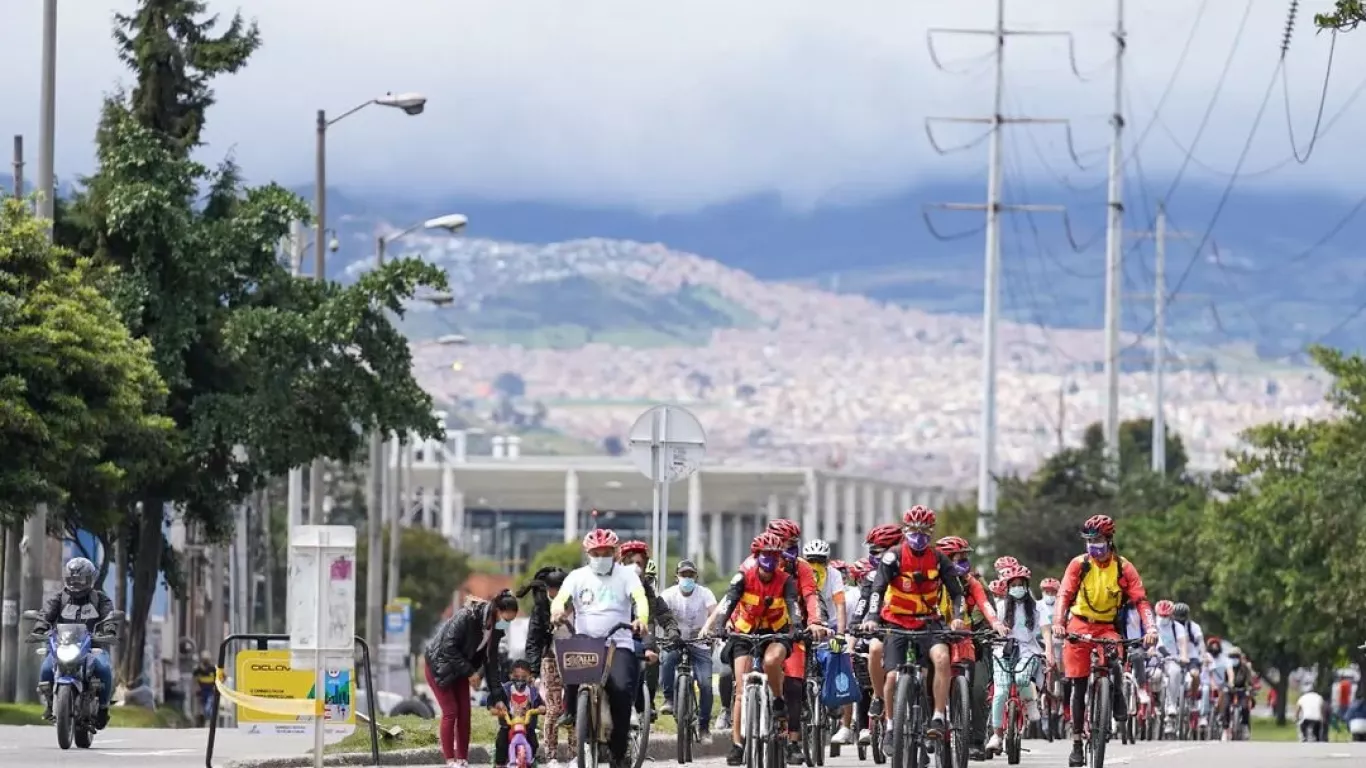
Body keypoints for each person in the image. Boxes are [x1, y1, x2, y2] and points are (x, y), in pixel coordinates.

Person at [1052, 514, 1157, 768]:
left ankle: (1117, 695)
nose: (1092, 546)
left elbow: (1141, 601)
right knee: (1077, 685)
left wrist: (1151, 627)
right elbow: (1064, 594)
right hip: (1078, 624)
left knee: (1115, 658)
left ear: (1109, 540)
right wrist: (1058, 622)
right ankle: (1077, 742)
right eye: (1088, 540)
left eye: (1097, 540)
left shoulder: (1123, 567)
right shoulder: (1079, 565)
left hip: (1107, 627)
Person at [859, 505, 966, 742]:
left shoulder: (939, 559)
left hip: (929, 622)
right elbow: (877, 588)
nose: (919, 536)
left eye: (924, 531)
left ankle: (938, 716)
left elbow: (957, 593)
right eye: (913, 530)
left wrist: (957, 616)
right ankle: (889, 726)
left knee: (942, 658)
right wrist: (872, 618)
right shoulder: (893, 556)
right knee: (891, 677)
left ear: (931, 532)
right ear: (905, 530)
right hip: (896, 621)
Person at [699, 532, 804, 767]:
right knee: (740, 688)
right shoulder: (742, 578)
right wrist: (718, 627)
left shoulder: (786, 580)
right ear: (756, 556)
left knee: (771, 661)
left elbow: (793, 606)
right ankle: (737, 745)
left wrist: (796, 626)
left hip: (775, 632)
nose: (770, 559)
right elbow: (728, 603)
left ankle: (777, 700)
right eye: (766, 554)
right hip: (744, 634)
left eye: (775, 555)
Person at [550, 529, 649, 768]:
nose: (601, 556)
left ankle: (618, 750)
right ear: (588, 553)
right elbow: (560, 599)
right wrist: (557, 612)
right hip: (586, 642)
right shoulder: (577, 576)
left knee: (622, 690)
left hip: (619, 643)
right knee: (570, 669)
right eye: (596, 553)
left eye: (606, 552)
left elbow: (640, 599)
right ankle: (573, 711)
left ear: (615, 553)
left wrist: (642, 619)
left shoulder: (627, 575)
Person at [425, 590, 520, 768]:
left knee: (465, 713)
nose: (506, 625)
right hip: (439, 667)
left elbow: (492, 665)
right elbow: (448, 647)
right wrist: (470, 672)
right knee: (451, 711)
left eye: (511, 622)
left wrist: (498, 698)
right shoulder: (467, 617)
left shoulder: (496, 631)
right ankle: (450, 760)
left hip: (460, 669)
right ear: (497, 610)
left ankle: (462, 759)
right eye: (506, 620)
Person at [765, 518, 831, 764]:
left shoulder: (801, 567)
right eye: (785, 543)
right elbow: (739, 596)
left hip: (794, 631)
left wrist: (814, 622)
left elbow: (810, 595)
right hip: (760, 629)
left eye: (793, 544)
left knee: (794, 684)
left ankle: (793, 741)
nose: (788, 549)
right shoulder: (757, 563)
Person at [935, 536, 1006, 760]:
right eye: (959, 558)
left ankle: (976, 740)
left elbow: (985, 605)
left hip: (973, 639)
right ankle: (927, 729)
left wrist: (996, 624)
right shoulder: (932, 581)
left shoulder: (972, 582)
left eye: (966, 557)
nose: (965, 562)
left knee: (977, 690)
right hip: (938, 636)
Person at [33, 557, 116, 728]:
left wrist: (109, 629)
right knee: (46, 669)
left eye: (80, 580)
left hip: (93, 647)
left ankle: (103, 709)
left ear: (90, 579)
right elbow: (46, 614)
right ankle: (49, 704)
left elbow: (108, 617)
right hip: (62, 645)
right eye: (72, 580)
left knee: (104, 669)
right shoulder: (58, 598)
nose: (76, 584)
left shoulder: (100, 600)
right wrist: (40, 628)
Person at [852, 522, 913, 744]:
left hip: (915, 625)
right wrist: (857, 622)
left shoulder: (911, 571)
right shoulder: (870, 577)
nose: (873, 557)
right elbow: (863, 603)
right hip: (884, 627)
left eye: (877, 551)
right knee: (875, 649)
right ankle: (879, 698)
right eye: (872, 552)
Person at [985, 564, 1049, 754]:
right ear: (1008, 587)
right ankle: (996, 734)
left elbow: (1046, 629)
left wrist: (1049, 651)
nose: (1017, 588)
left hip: (1028, 650)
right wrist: (999, 629)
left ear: (1027, 585)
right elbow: (994, 623)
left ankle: (1029, 702)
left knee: (1022, 678)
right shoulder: (1002, 606)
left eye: (1021, 584)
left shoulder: (1038, 607)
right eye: (1013, 585)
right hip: (1004, 649)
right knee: (1000, 692)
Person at [618, 542, 680, 725]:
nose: (635, 568)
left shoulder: (648, 592)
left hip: (639, 638)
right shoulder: (611, 584)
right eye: (631, 563)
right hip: (611, 636)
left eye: (639, 564)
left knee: (650, 657)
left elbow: (661, 616)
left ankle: (644, 704)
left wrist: (673, 632)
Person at [516, 566, 572, 765]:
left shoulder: (579, 603)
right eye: (553, 590)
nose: (556, 594)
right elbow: (533, 641)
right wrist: (532, 670)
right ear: (548, 589)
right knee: (554, 708)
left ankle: (575, 755)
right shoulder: (541, 607)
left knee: (574, 706)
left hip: (576, 656)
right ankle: (552, 756)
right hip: (551, 657)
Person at [659, 559, 718, 742]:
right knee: (667, 660)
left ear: (696, 577)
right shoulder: (668, 595)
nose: (687, 578)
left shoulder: (705, 593)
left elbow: (714, 612)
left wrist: (709, 628)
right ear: (676, 577)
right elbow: (659, 615)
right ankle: (669, 699)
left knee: (706, 685)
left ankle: (704, 727)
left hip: (699, 642)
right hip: (675, 641)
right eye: (683, 574)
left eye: (690, 575)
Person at [803, 539, 855, 745]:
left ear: (827, 561)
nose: (815, 564)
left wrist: (840, 634)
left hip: (831, 625)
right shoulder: (799, 572)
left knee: (841, 664)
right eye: (811, 560)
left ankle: (843, 718)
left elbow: (840, 604)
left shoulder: (833, 575)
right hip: (807, 625)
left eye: (820, 560)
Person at [1153, 600, 1203, 736]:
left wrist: (1184, 657)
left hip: (1172, 659)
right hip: (1155, 659)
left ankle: (1171, 706)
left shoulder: (1178, 628)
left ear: (1171, 615)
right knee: (1154, 676)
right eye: (1161, 616)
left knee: (1175, 672)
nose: (1163, 619)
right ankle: (1156, 703)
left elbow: (1182, 644)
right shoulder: (1152, 625)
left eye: (1166, 616)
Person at [493, 660, 545, 768]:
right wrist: (498, 708)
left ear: (530, 676)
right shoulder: (505, 689)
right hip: (509, 724)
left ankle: (531, 760)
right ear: (510, 675)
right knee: (502, 742)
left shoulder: (532, 691)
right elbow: (495, 700)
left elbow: (540, 703)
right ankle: (499, 763)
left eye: (524, 676)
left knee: (533, 743)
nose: (520, 679)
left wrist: (541, 708)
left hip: (526, 725)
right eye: (516, 676)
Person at [1221, 648, 1254, 740]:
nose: (1234, 659)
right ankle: (1225, 729)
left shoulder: (1245, 668)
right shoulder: (1227, 667)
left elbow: (1249, 680)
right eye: (1232, 657)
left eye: (1236, 657)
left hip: (1241, 690)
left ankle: (1244, 727)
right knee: (1225, 706)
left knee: (1244, 707)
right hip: (1229, 690)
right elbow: (1223, 680)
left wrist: (1249, 687)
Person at [193, 652, 217, 727]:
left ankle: (208, 721)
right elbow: (195, 680)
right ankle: (201, 722)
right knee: (201, 707)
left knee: (208, 707)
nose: (206, 661)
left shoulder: (213, 669)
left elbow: (220, 678)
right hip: (201, 691)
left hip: (210, 691)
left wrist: (215, 687)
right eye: (204, 659)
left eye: (207, 659)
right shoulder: (198, 670)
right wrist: (196, 687)